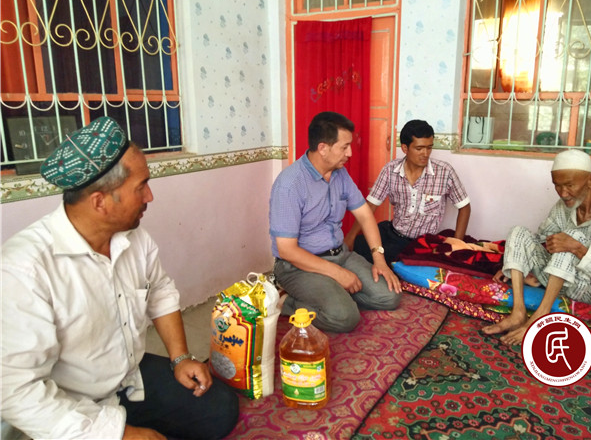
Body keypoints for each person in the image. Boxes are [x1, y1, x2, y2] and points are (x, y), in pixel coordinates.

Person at [1, 117, 239, 440]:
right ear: (99, 202)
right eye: (141, 187)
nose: (150, 197)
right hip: (71, 405)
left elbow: (160, 291)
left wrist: (180, 357)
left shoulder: (133, 238)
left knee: (221, 409)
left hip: (127, 378)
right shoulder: (24, 269)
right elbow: (16, 391)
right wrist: (119, 434)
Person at [483, 149, 591, 345]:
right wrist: (517, 264)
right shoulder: (565, 203)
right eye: (557, 185)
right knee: (518, 232)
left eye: (570, 185)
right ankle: (518, 312)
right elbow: (539, 238)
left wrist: (577, 248)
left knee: (571, 238)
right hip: (571, 283)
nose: (563, 193)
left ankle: (540, 317)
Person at [269, 111, 402, 333]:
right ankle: (284, 301)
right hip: (299, 267)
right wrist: (337, 273)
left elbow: (365, 215)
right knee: (345, 317)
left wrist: (379, 259)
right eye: (344, 147)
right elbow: (287, 250)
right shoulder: (290, 185)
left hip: (341, 255)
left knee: (390, 296)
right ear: (323, 148)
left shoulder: (340, 174)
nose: (350, 153)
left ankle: (337, 296)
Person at [345, 119, 471, 265]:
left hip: (420, 243)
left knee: (388, 261)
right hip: (392, 232)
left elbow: (465, 207)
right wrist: (351, 236)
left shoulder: (445, 172)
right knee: (355, 248)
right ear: (405, 148)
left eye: (429, 147)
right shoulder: (390, 170)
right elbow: (370, 205)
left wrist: (456, 244)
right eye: (419, 148)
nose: (425, 153)